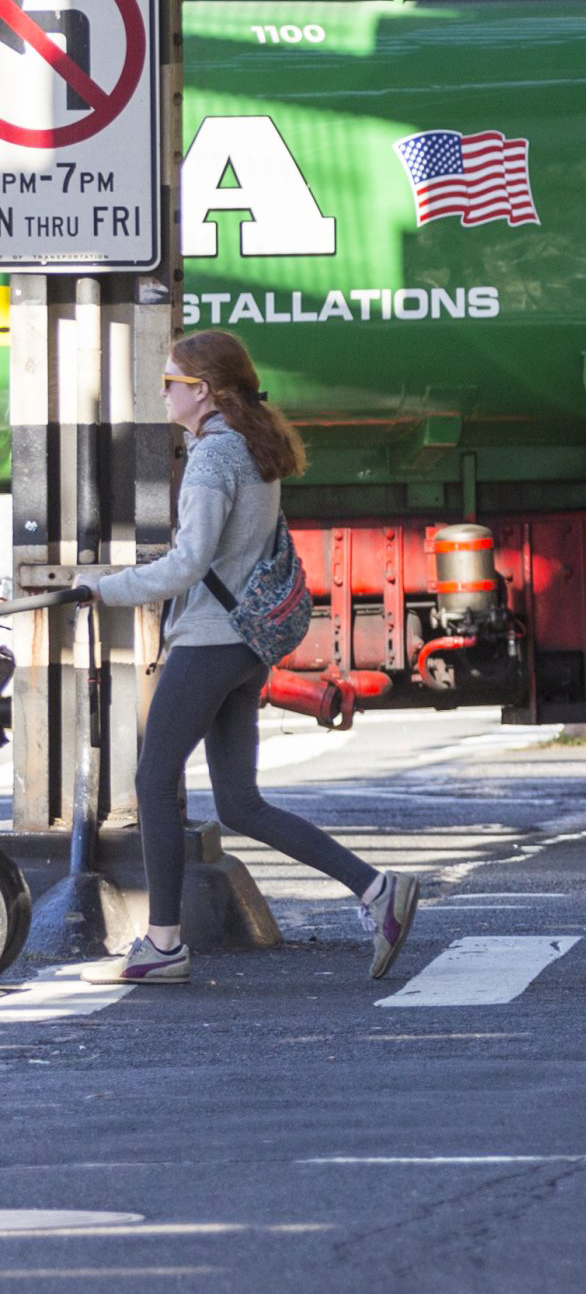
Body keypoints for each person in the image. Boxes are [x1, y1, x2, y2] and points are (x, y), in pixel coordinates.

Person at [63, 330, 419, 985]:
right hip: (245, 642)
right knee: (239, 804)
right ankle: (376, 890)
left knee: (152, 782)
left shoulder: (210, 459)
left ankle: (164, 945)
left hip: (209, 641)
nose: (163, 392)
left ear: (202, 391)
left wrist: (100, 589)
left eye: (171, 382)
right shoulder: (249, 446)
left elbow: (188, 563)